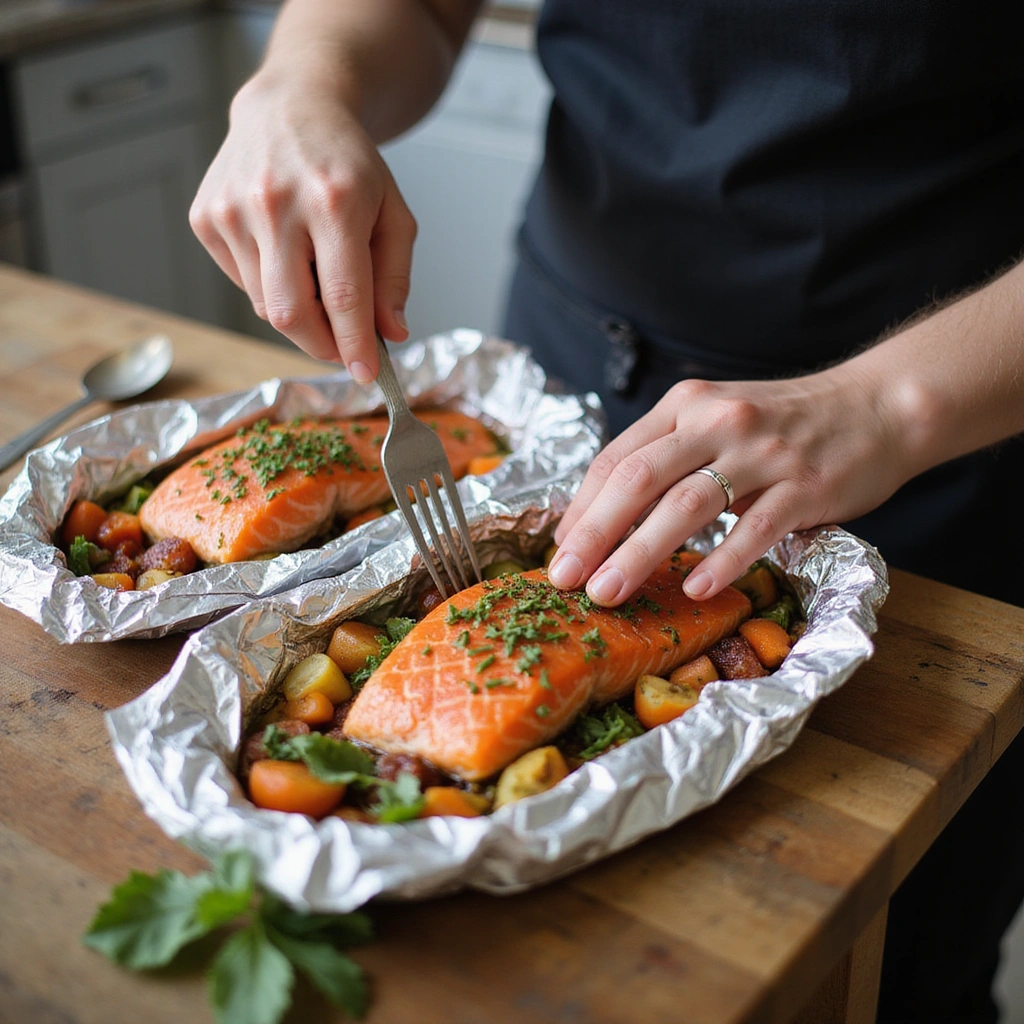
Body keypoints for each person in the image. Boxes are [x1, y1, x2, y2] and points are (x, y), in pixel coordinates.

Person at [190, 2, 1024, 1020]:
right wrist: (304, 76)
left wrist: (893, 402)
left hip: (952, 420)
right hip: (582, 343)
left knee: (903, 970)